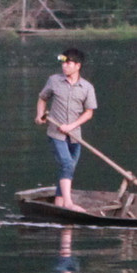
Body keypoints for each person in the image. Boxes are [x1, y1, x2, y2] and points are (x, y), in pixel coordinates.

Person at [35, 48, 97, 213]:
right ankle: (69, 204)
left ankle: (59, 204)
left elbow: (89, 113)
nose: (64, 66)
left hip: (75, 136)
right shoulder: (54, 81)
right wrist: (40, 114)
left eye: (68, 63)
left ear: (78, 66)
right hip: (56, 134)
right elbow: (42, 98)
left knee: (67, 169)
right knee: (67, 164)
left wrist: (71, 126)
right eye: (63, 63)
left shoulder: (87, 87)